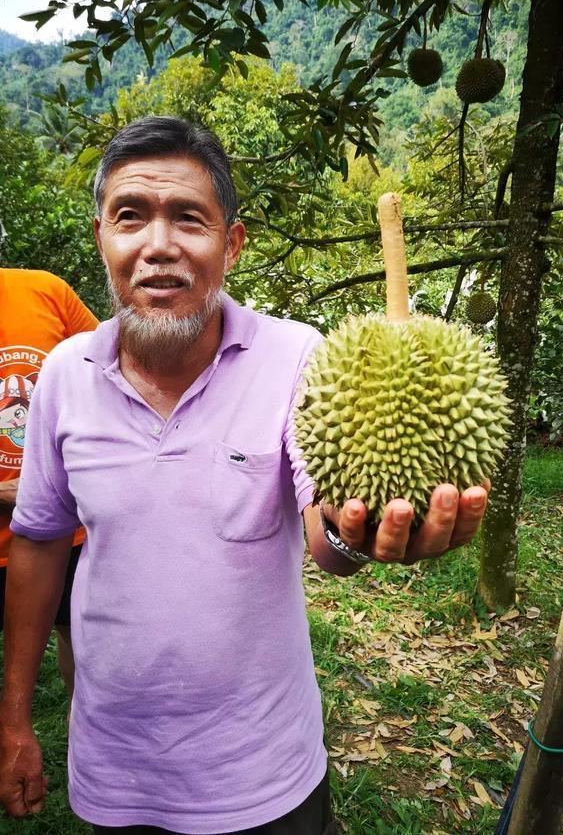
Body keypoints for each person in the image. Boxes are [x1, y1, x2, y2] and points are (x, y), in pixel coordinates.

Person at [0, 116, 490, 835]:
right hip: (115, 769)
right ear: (102, 234)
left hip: (265, 773)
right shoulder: (65, 376)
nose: (158, 245)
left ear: (231, 243)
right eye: (131, 216)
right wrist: (15, 715)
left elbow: (325, 530)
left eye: (189, 218)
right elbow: (40, 541)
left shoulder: (298, 356)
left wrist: (359, 538)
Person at [0, 250, 98, 696]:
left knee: (75, 631)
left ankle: (87, 740)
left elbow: (113, 373)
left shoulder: (44, 290)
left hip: (63, 530)